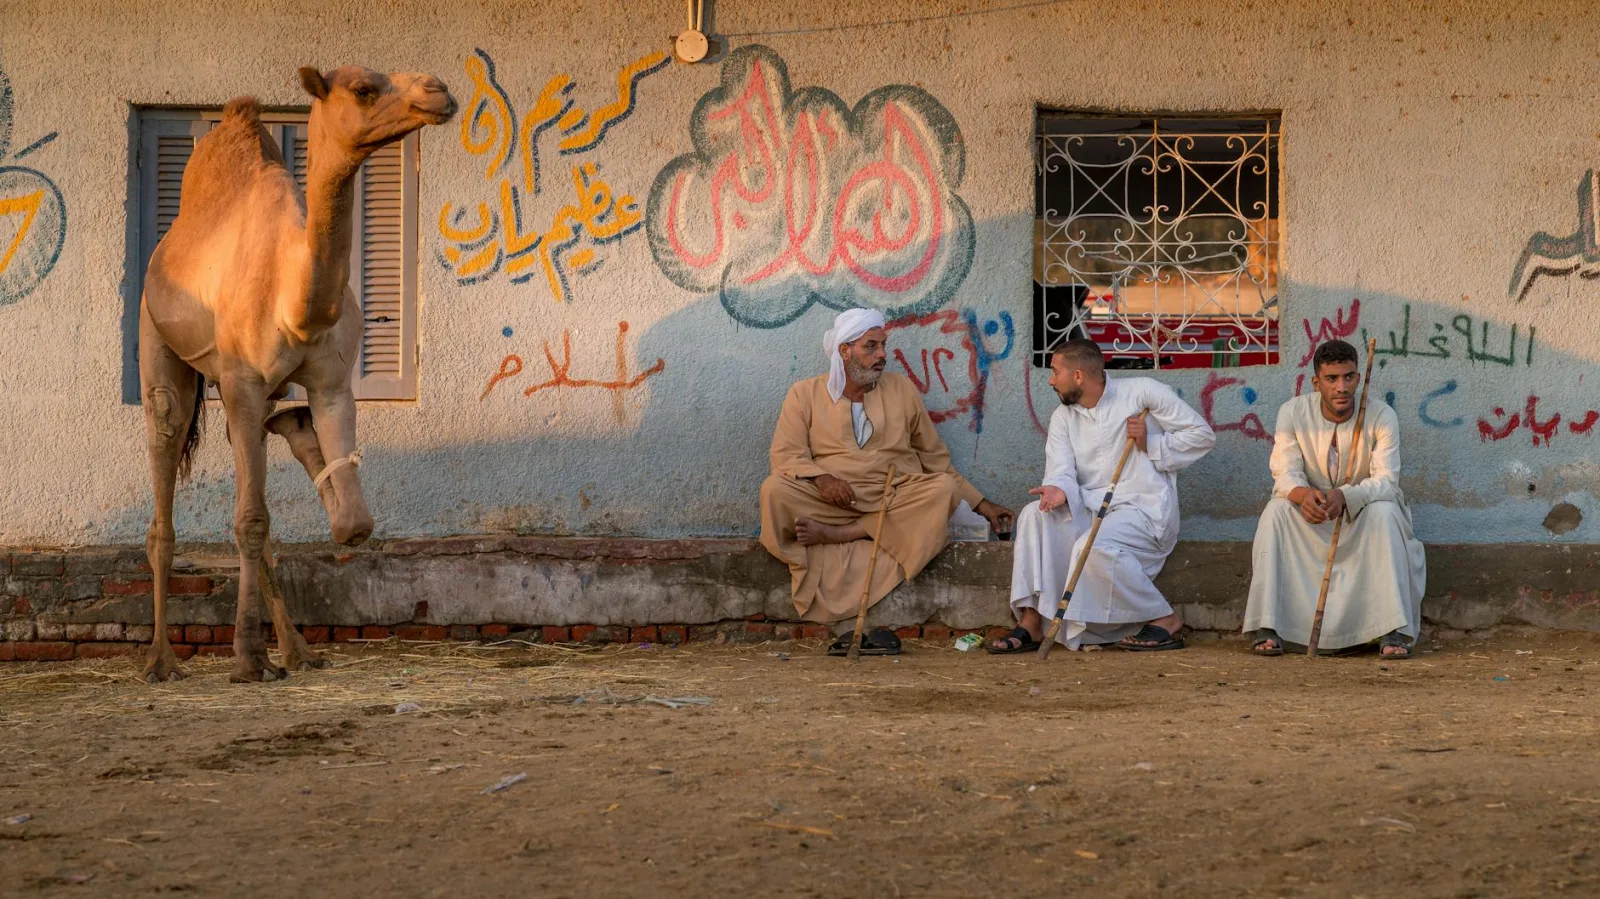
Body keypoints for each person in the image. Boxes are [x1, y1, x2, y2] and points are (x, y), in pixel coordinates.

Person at [759, 308, 1013, 653]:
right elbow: (786, 456)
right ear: (844, 351)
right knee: (774, 490)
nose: (882, 355)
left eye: (883, 346)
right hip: (828, 502)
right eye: (871, 346)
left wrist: (983, 505)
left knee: (940, 490)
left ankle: (843, 535)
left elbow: (936, 462)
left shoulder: (900, 389)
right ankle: (862, 528)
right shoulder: (804, 394)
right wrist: (822, 479)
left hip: (891, 498)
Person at [990, 339, 1215, 653]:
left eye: (1056, 372)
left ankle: (1166, 619)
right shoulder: (1062, 417)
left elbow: (1202, 436)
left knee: (1090, 545)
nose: (1051, 380)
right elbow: (1060, 471)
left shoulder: (1142, 392)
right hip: (1089, 507)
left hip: (1143, 512)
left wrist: (1151, 443)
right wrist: (1057, 489)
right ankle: (1033, 620)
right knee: (1032, 515)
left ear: (1078, 376)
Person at [1243, 339, 1426, 657]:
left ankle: (1391, 630)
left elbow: (1386, 481)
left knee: (1385, 511)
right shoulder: (1293, 412)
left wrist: (1345, 495)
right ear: (1317, 382)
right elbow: (1284, 472)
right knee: (1276, 512)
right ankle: (1269, 625)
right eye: (1332, 379)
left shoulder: (1382, 415)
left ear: (1358, 377)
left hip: (1361, 519)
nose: (1341, 387)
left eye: (1348, 377)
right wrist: (1302, 497)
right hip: (1312, 519)